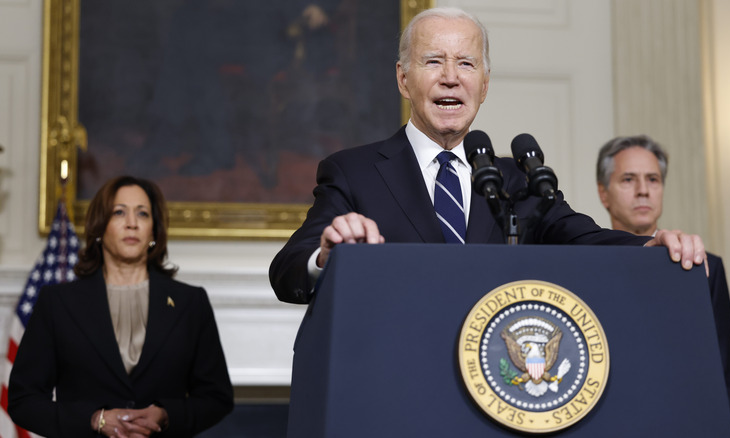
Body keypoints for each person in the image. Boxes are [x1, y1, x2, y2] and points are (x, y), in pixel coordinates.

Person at [269, 6, 707, 305]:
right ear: (404, 80)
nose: (451, 78)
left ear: (484, 84)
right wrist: (327, 256)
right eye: (433, 62)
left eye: (466, 64)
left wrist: (650, 245)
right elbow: (288, 270)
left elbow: (585, 239)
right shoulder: (354, 171)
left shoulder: (518, 179)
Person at [8, 176, 234, 437]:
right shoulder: (57, 303)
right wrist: (94, 419)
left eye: (143, 214)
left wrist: (166, 415)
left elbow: (217, 397)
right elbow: (23, 400)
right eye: (119, 212)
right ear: (99, 227)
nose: (132, 223)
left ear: (153, 230)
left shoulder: (190, 303)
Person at [596, 134, 730, 437]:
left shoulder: (705, 267)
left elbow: (724, 374)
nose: (643, 191)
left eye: (653, 179)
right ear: (604, 194)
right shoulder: (589, 267)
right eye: (628, 179)